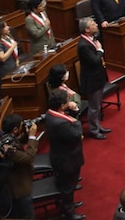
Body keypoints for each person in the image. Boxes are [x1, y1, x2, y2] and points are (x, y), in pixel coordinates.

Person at [46, 90, 86, 220]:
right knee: (68, 187)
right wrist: (77, 122)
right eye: (67, 101)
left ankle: (69, 206)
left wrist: (73, 112)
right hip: (67, 160)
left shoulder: (51, 114)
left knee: (68, 186)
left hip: (62, 156)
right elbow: (76, 133)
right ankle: (69, 214)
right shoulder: (60, 123)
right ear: (62, 105)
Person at [77, 17, 112, 139]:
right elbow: (95, 61)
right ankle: (93, 130)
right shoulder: (83, 45)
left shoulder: (91, 39)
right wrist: (100, 50)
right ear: (87, 29)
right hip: (92, 80)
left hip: (98, 77)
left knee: (97, 105)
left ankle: (97, 126)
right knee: (94, 107)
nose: (96, 24)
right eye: (93, 24)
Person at [0, 113, 40, 219]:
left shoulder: (5, 138)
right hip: (19, 191)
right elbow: (29, 158)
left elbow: (20, 141)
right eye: (21, 125)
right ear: (15, 130)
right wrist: (32, 136)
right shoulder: (8, 148)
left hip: (18, 185)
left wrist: (26, 134)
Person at [0, 20, 19, 98]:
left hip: (13, 67)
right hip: (5, 72)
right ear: (0, 30)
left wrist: (17, 60)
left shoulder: (8, 37)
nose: (8, 27)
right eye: (5, 26)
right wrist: (12, 47)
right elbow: (2, 58)